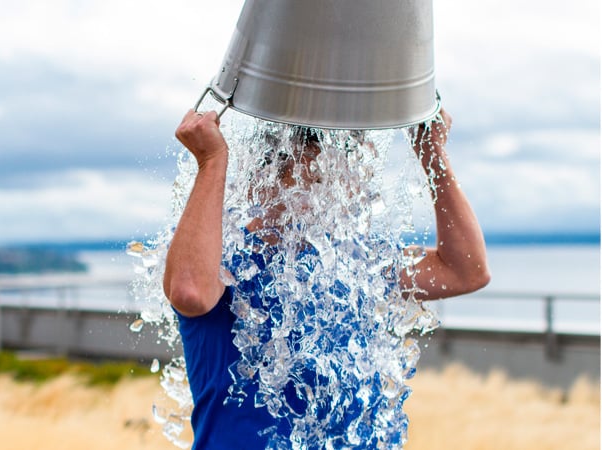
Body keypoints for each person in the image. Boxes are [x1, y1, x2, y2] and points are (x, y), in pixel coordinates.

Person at [163, 108, 490, 449]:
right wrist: (212, 160)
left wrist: (431, 152)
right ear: (263, 181)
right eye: (317, 181)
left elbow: (465, 270)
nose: (334, 198)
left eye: (340, 181)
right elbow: (189, 292)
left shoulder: (355, 262)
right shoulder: (227, 259)